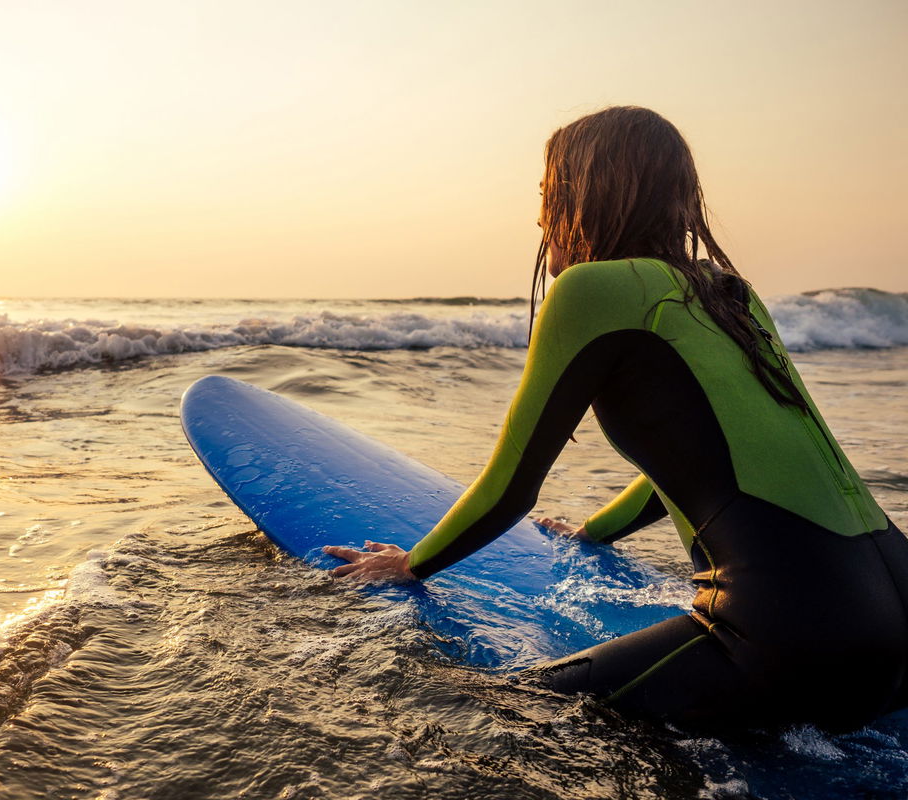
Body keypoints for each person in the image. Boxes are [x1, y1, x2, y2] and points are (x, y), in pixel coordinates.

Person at [323, 106, 908, 731]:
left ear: (585, 192)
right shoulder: (727, 291)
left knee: (510, 717)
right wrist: (594, 532)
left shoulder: (590, 290)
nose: (541, 215)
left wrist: (412, 564)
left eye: (548, 192)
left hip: (792, 630)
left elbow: (511, 487)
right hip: (897, 610)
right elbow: (709, 457)